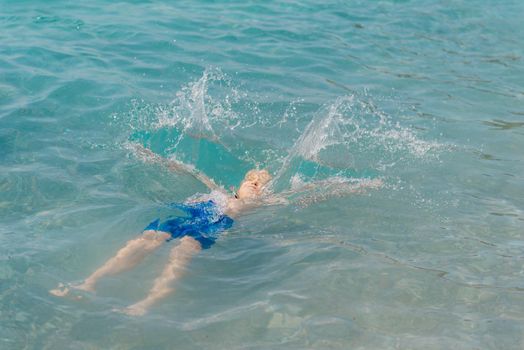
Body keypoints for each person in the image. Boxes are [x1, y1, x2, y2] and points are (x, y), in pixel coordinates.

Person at [50, 144, 382, 316]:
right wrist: (156, 158)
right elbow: (191, 172)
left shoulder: (268, 202)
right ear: (240, 181)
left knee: (181, 255)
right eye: (251, 179)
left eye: (260, 184)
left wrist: (354, 187)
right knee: (147, 240)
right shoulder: (219, 191)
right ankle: (89, 283)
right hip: (192, 213)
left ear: (265, 191)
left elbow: (312, 194)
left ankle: (146, 303)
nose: (254, 184)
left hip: (212, 227)